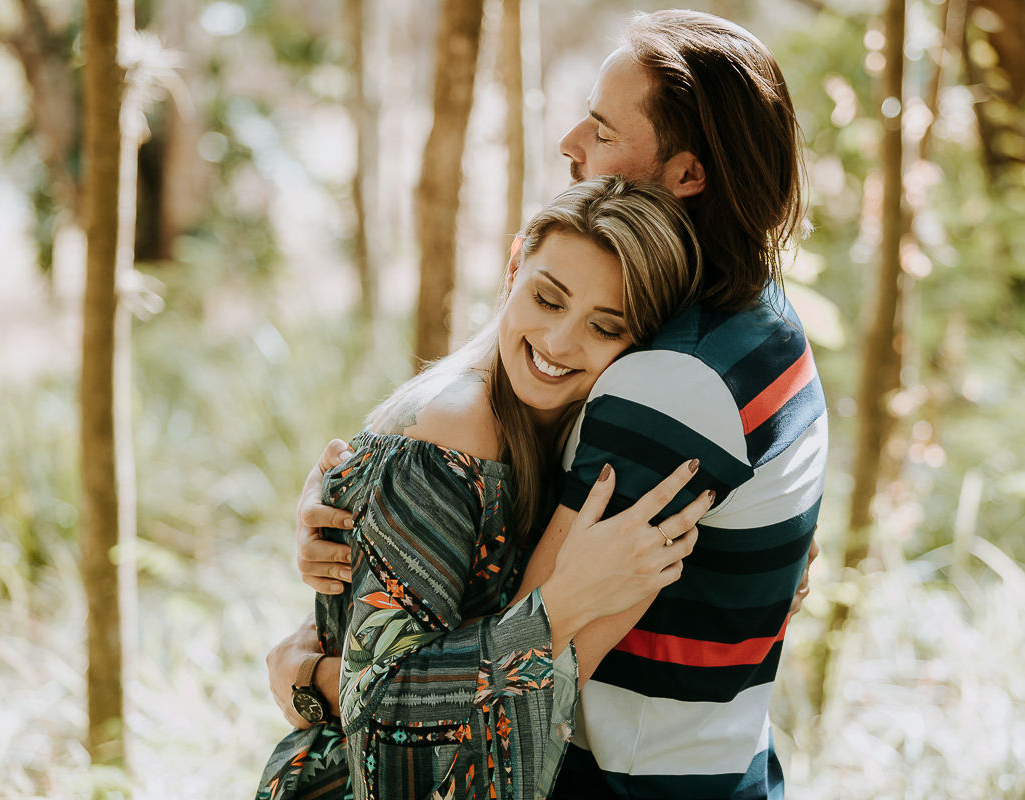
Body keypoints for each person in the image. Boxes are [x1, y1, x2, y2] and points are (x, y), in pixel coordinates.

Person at [281, 9, 828, 799]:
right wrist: (371, 514)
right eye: (546, 297)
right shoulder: (762, 321)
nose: (571, 142)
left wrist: (313, 676)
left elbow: (517, 693)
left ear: (687, 175)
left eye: (603, 130)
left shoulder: (669, 383)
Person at [257, 176, 716, 800]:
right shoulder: (453, 433)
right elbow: (381, 711)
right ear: (513, 266)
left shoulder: (565, 429)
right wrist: (559, 606)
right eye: (548, 300)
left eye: (605, 327)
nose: (558, 343)